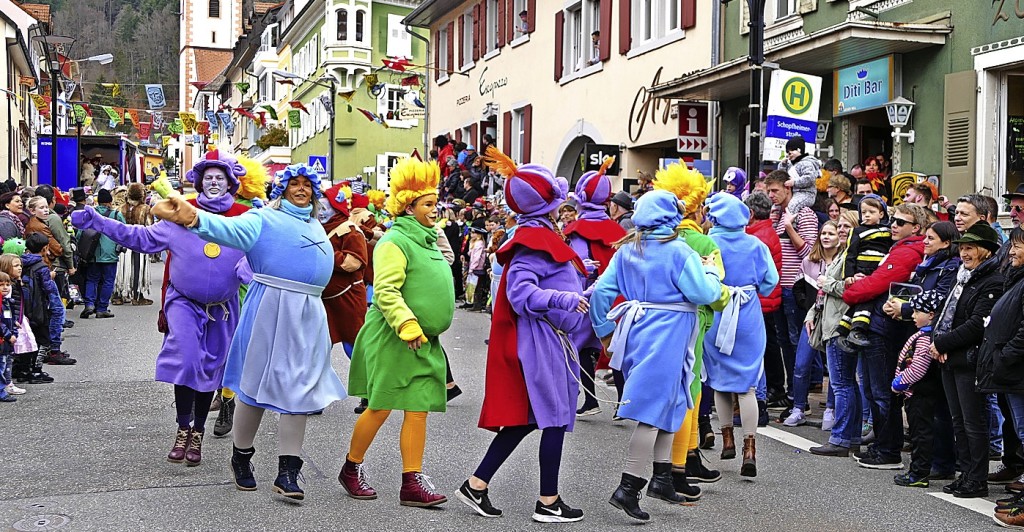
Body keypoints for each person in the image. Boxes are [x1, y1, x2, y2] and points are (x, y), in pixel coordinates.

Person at [151, 162, 347, 500]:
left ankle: (288, 471)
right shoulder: (263, 219)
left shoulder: (316, 224)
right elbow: (225, 230)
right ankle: (241, 457)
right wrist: (193, 217)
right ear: (282, 189)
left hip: (307, 314)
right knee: (253, 387)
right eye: (293, 184)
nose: (300, 189)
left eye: (306, 185)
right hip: (270, 306)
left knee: (298, 390)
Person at [73, 150, 256, 465]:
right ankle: (182, 428)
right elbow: (138, 237)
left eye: (220, 178)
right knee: (186, 362)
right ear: (199, 183)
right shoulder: (179, 216)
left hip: (222, 310)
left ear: (230, 184)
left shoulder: (243, 220)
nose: (214, 183)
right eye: (208, 178)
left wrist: (249, 269)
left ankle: (197, 433)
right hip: (184, 303)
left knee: (209, 372)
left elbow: (262, 255)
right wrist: (98, 220)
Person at [457, 150, 587, 523]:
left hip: (544, 336)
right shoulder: (532, 238)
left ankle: (477, 484)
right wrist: (562, 296)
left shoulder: (539, 232)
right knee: (555, 418)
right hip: (540, 339)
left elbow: (548, 273)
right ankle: (549, 502)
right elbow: (520, 293)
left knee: (529, 419)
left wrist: (578, 276)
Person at [588, 189, 725, 521]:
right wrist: (710, 271)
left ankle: (662, 478)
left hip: (639, 329)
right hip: (672, 332)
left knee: (671, 400)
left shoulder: (626, 250)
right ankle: (628, 487)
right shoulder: (679, 251)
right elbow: (704, 293)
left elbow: (601, 293)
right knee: (653, 410)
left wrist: (605, 332)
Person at [341, 158, 454, 508]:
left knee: (418, 408)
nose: (435, 210)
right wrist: (407, 323)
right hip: (395, 336)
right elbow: (387, 291)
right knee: (380, 406)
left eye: (436, 203)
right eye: (428, 204)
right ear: (409, 206)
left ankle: (412, 482)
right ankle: (351, 468)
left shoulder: (428, 240)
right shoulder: (394, 241)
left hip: (425, 341)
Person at [842, 204, 927, 469]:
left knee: (881, 392)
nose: (894, 225)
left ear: (916, 228)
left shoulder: (907, 251)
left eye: (901, 222)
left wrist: (851, 290)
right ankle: (883, 445)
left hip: (885, 330)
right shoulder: (898, 248)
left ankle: (888, 450)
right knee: (873, 389)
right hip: (880, 326)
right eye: (893, 220)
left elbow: (877, 283)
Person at [702, 192, 779, 479]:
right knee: (747, 384)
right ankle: (750, 448)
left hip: (717, 310)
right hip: (747, 313)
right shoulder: (756, 244)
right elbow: (770, 283)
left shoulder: (709, 244)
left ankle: (727, 440)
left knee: (720, 381)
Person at [931, 221, 1004, 498]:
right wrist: (936, 340)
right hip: (949, 358)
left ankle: (977, 479)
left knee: (974, 422)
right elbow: (944, 311)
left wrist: (941, 342)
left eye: (970, 248)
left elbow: (977, 325)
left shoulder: (993, 281)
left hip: (969, 360)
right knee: (958, 420)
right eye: (962, 247)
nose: (965, 253)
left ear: (986, 251)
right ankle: (966, 474)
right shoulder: (962, 276)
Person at [563, 158, 627, 417]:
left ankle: (588, 399)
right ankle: (623, 403)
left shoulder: (577, 231)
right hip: (619, 296)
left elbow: (579, 266)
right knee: (616, 348)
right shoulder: (617, 229)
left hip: (588, 295)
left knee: (577, 348)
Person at [765, 170, 819, 401]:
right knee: (784, 341)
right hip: (778, 285)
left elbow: (810, 252)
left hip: (794, 286)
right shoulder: (775, 213)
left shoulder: (804, 214)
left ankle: (801, 396)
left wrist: (789, 228)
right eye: (768, 191)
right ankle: (791, 392)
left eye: (775, 190)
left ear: (788, 188)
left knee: (798, 342)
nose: (771, 195)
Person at [983, 229, 1024, 524]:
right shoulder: (1016, 277)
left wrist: (1004, 356)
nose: (1011, 251)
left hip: (1017, 369)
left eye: (1018, 246)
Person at [784, 221, 841, 427]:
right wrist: (805, 306)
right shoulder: (809, 260)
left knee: (835, 367)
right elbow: (798, 287)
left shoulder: (844, 261)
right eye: (823, 233)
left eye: (831, 233)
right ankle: (798, 408)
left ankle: (830, 409)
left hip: (835, 320)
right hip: (813, 319)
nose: (826, 237)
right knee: (801, 365)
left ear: (839, 237)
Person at [888, 291, 943, 488]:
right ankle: (917, 471)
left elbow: (918, 368)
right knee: (918, 433)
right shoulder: (923, 335)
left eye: (917, 311)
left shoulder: (926, 338)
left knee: (921, 434)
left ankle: (919, 474)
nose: (913, 315)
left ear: (931, 314)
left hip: (920, 393)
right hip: (916, 393)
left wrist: (899, 383)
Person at [836, 195, 893, 350]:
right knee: (865, 299)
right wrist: (848, 275)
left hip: (879, 271)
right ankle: (857, 329)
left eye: (871, 211)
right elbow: (850, 255)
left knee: (866, 299)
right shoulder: (856, 231)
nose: (867, 215)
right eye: (864, 212)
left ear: (881, 214)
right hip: (863, 269)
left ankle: (843, 330)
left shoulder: (889, 231)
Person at [320, 183, 368, 355]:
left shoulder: (349, 230)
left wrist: (324, 254)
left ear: (336, 208)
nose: (320, 212)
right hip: (325, 300)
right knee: (321, 344)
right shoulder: (318, 229)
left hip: (348, 300)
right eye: (318, 207)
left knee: (354, 345)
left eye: (325, 208)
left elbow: (353, 262)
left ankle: (364, 380)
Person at [22, 233, 73, 367]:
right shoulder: (41, 266)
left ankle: (31, 361)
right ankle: (53, 351)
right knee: (57, 314)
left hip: (30, 302)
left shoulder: (23, 262)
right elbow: (48, 288)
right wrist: (51, 277)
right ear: (45, 248)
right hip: (42, 302)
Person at [79, 189, 124, 320]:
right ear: (110, 202)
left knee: (92, 279)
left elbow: (80, 233)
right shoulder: (116, 215)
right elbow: (124, 233)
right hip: (110, 253)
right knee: (108, 281)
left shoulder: (90, 214)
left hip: (92, 253)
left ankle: (89, 305)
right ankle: (102, 308)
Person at [2, 253, 44, 386]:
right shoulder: (8, 286)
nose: (19, 268)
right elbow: (9, 305)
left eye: (20, 265)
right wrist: (13, 319)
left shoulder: (16, 282)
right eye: (15, 266)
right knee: (12, 350)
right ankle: (17, 375)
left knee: (22, 347)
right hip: (13, 319)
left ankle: (22, 371)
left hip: (19, 317)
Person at [113, 183, 154, 306]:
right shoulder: (146, 209)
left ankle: (117, 296)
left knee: (121, 271)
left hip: (122, 244)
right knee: (138, 269)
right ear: (142, 195)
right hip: (139, 243)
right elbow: (150, 227)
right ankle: (137, 296)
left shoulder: (119, 209)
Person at [776, 135, 820, 215]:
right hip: (792, 193)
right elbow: (781, 175)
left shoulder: (807, 163)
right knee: (776, 206)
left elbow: (809, 178)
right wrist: (783, 165)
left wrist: (794, 182)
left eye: (791, 151)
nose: (789, 154)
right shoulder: (791, 164)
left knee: (793, 206)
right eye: (788, 152)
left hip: (806, 193)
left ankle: (793, 225)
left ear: (799, 150)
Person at [24, 197, 63, 268]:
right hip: (44, 262)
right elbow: (57, 249)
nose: (46, 210)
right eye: (41, 208)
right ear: (32, 211)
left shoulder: (34, 222)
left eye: (46, 207)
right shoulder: (39, 226)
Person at [0, 272, 17, 403]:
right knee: (1, 365)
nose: (5, 287)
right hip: (2, 339)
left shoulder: (7, 302)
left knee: (5, 363)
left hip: (6, 341)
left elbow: (11, 319)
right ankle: (1, 391)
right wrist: (8, 334)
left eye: (7, 284)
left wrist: (14, 332)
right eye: (1, 285)